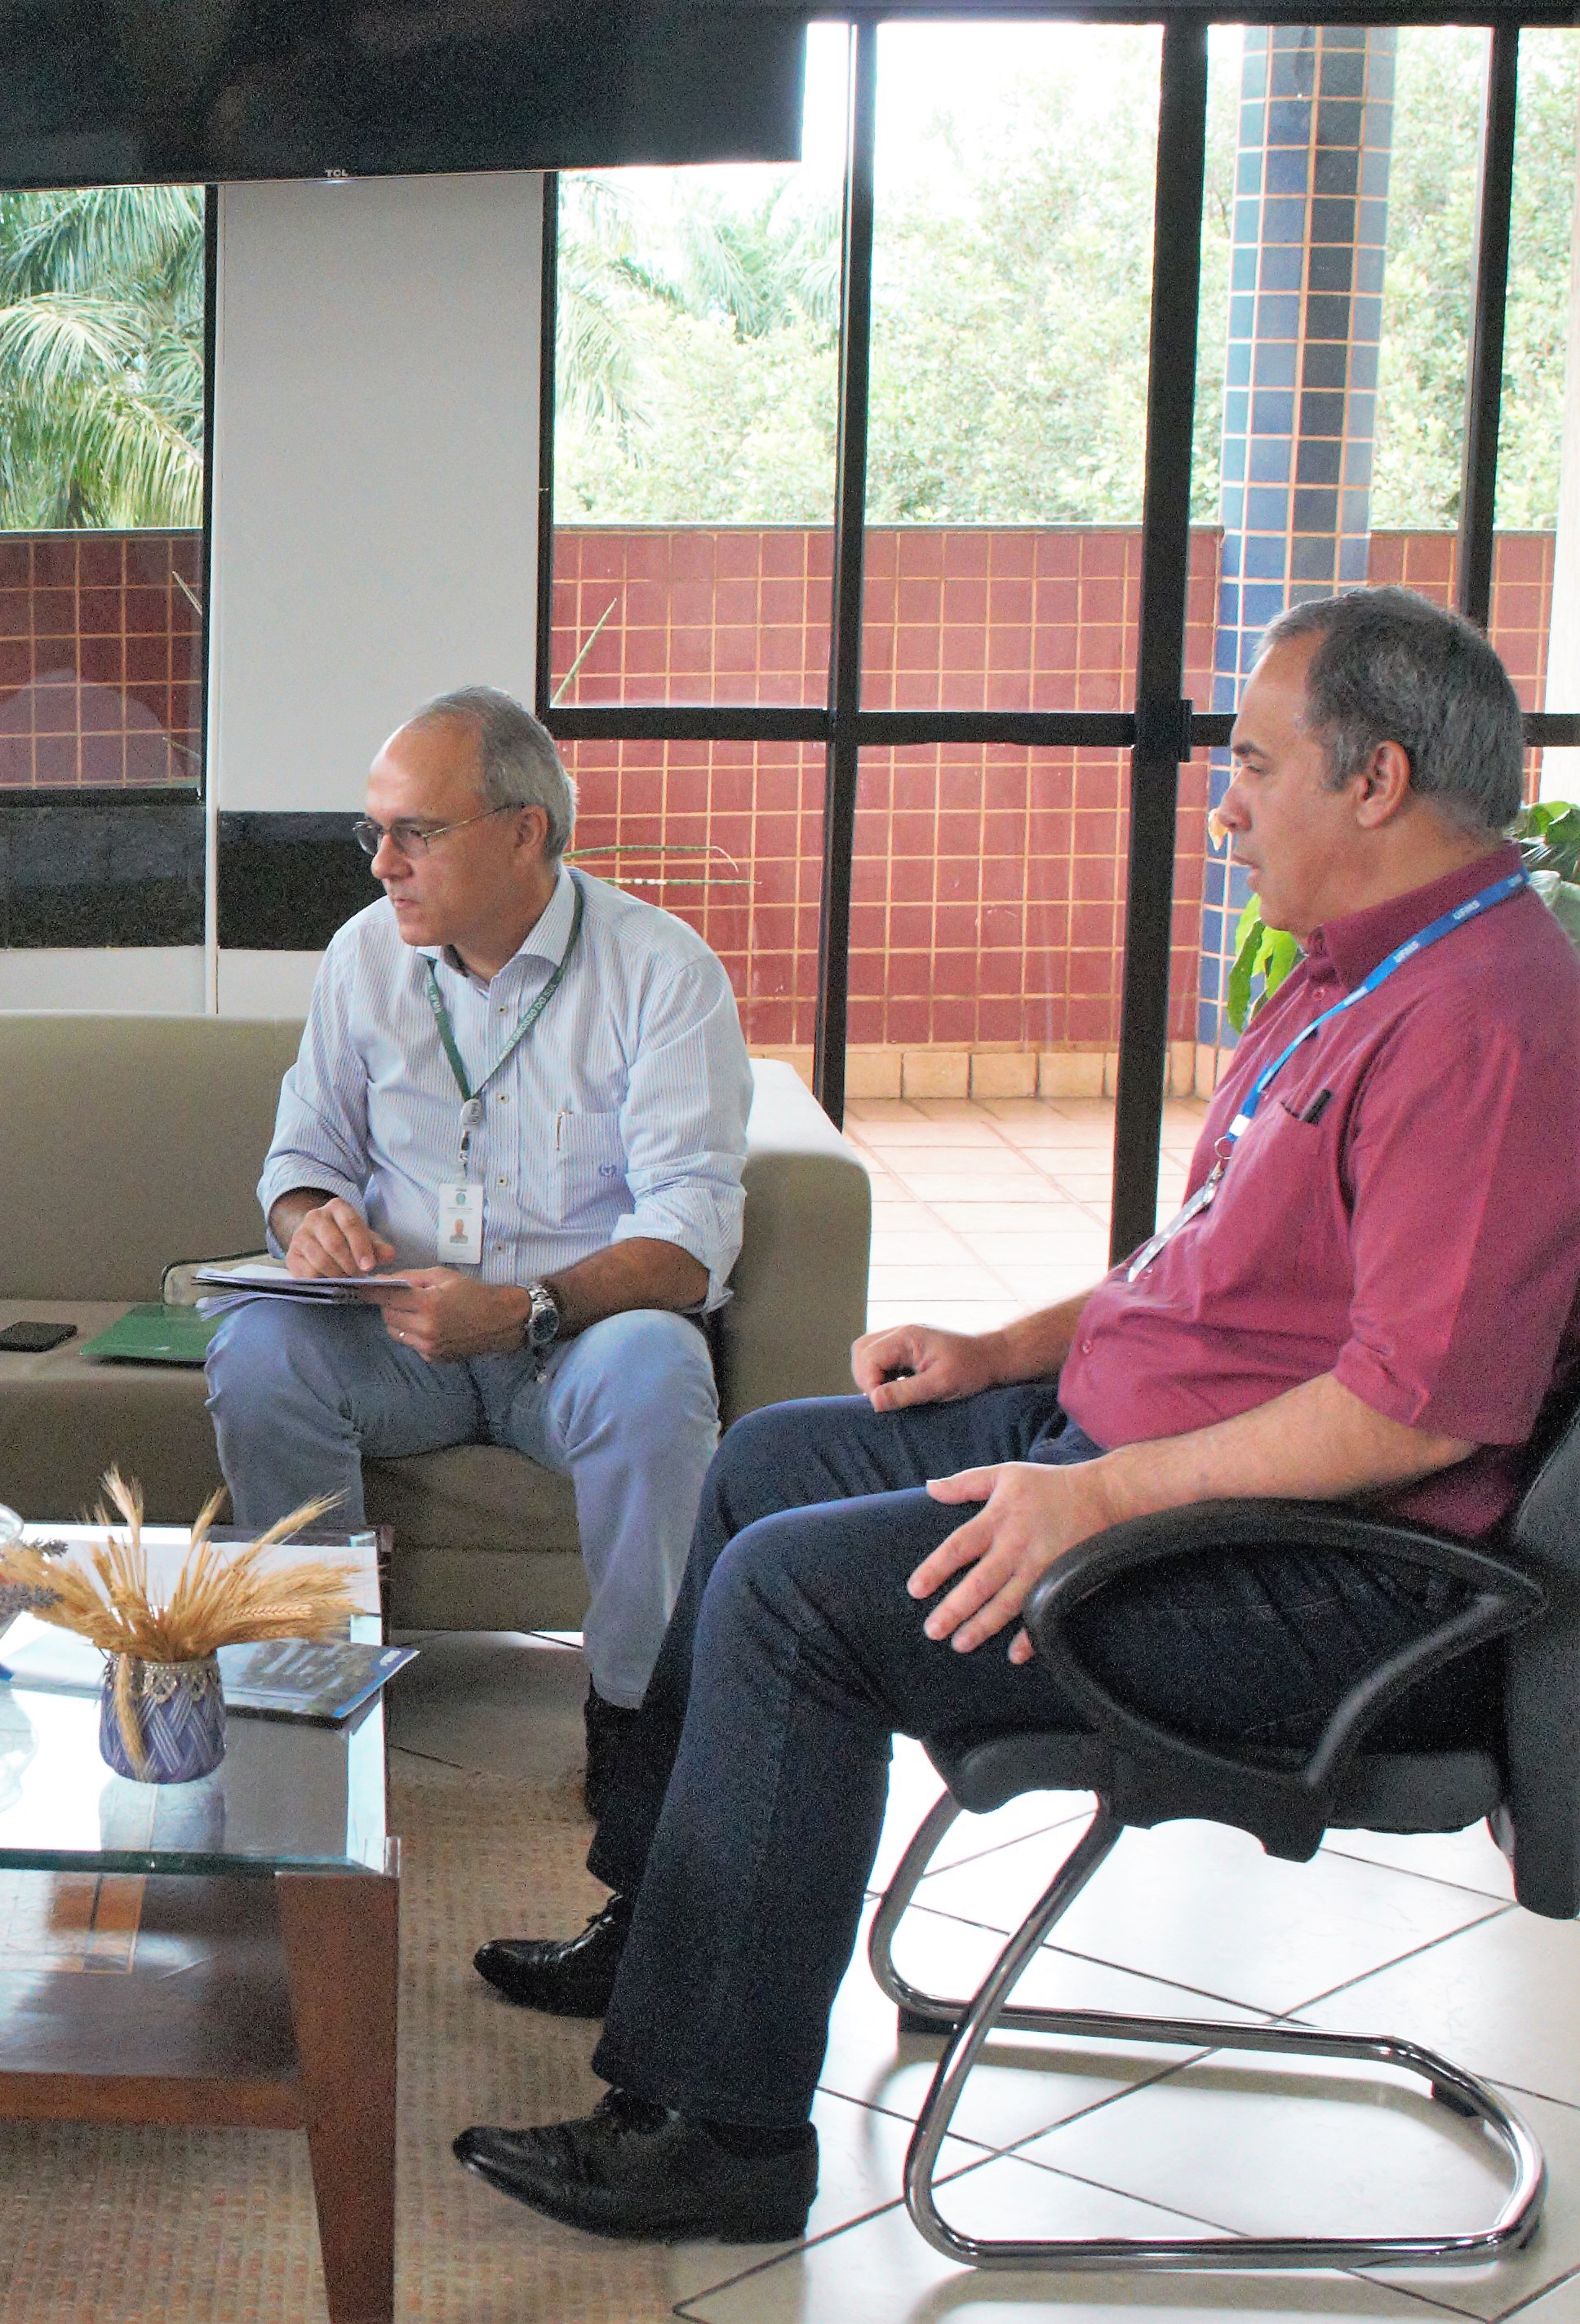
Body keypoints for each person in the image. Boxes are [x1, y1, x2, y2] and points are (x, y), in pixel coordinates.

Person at [456, 585, 1580, 2242]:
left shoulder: (1483, 1021)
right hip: (1146, 1465)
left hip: (1326, 1578)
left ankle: (719, 2125)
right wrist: (997, 1350)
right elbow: (1207, 1266)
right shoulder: (1348, 972)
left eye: (1252, 763)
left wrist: (1098, 1496)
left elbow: (1410, 1412)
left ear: (1375, 779)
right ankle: (667, 1925)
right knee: (765, 1462)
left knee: (791, 1596)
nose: (1220, 804)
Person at [207, 685, 751, 1791]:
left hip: (575, 1344)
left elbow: (689, 1236)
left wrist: (520, 1310)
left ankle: (637, 1723)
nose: (383, 865)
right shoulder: (363, 958)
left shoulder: (662, 972)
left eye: (416, 833)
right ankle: (315, 1693)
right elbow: (299, 1159)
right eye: (374, 833)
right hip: (401, 1338)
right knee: (258, 1352)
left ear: (523, 832)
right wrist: (313, 1222)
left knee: (660, 1369)